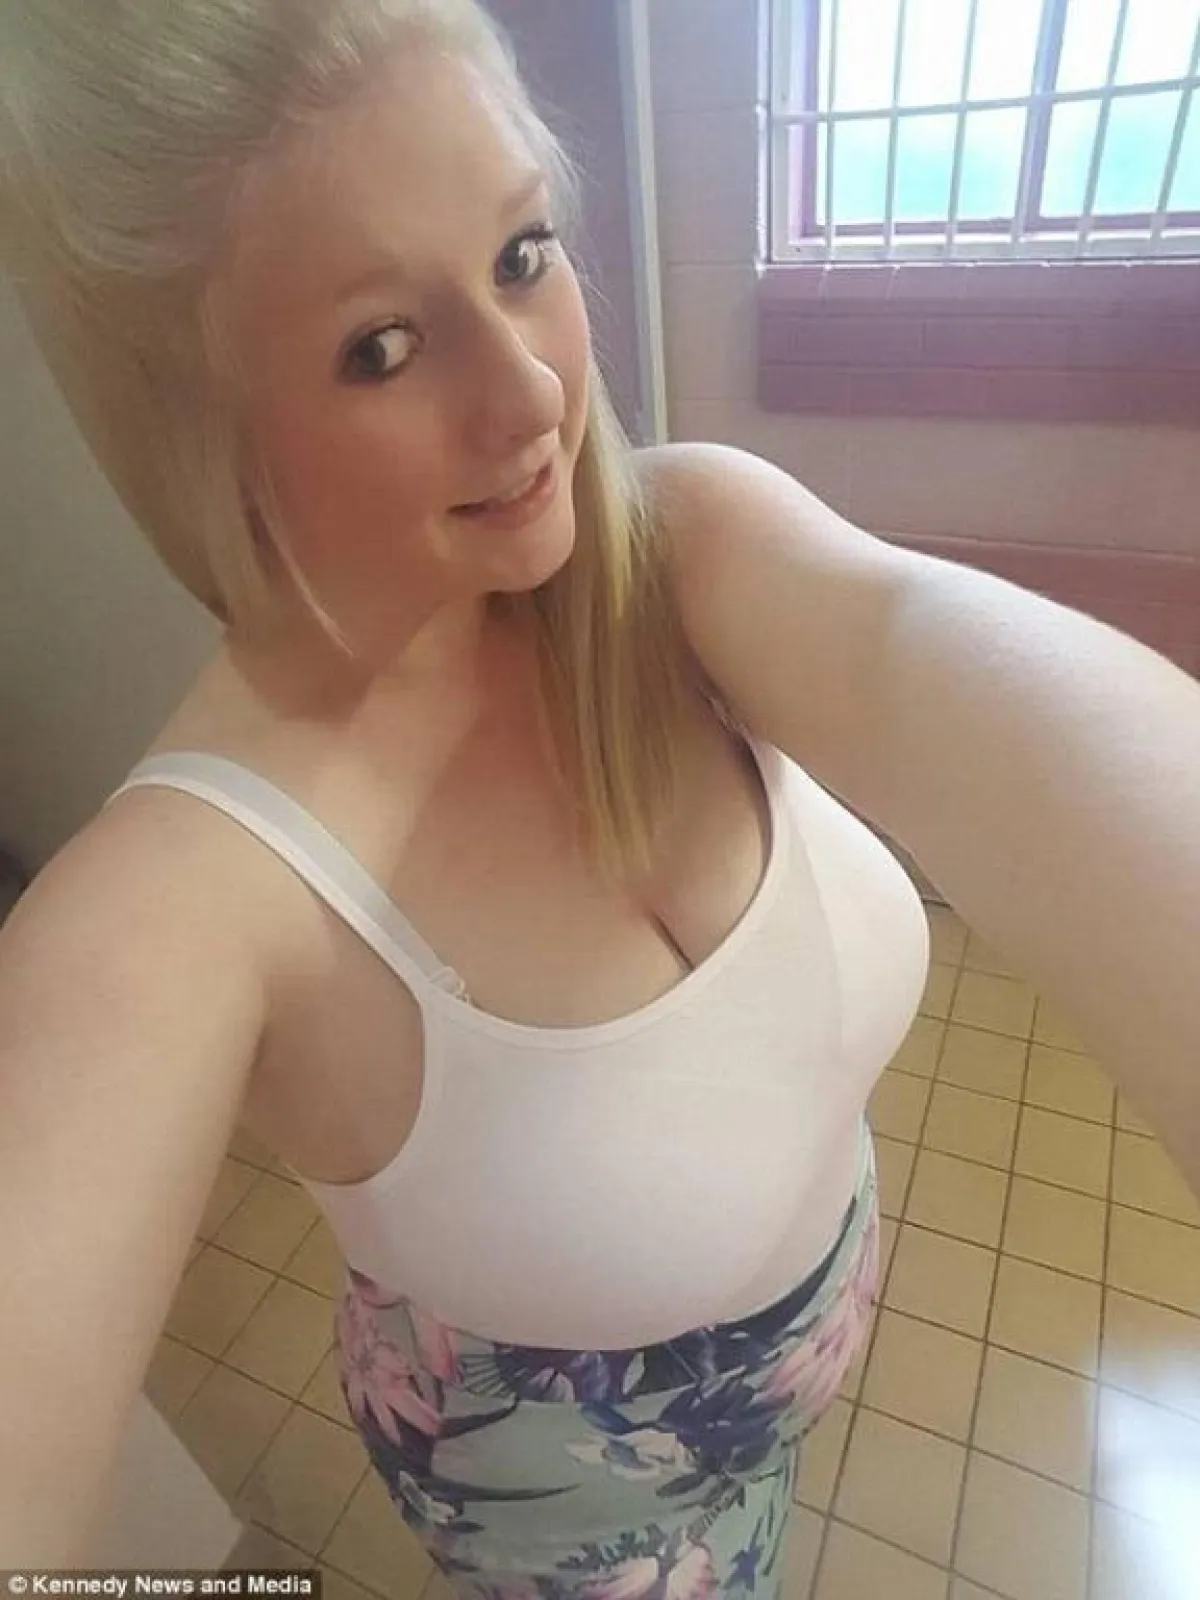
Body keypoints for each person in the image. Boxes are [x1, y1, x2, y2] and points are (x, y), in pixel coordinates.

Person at [1, 0, 1197, 1590]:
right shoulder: (199, 887)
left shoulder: (689, 548)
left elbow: (1020, 719)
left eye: (521, 256)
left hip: (787, 1381)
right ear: (199, 425)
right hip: (572, 1514)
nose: (531, 398)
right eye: (381, 346)